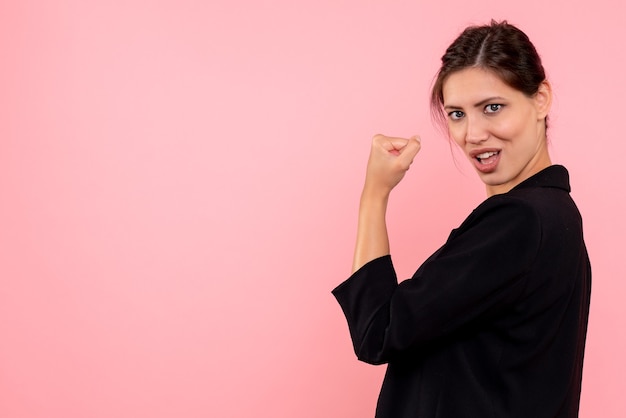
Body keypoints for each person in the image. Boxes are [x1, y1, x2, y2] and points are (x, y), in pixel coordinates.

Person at [332, 20, 591, 418]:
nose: (472, 134)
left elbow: (378, 332)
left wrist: (374, 195)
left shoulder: (519, 222)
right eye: (456, 114)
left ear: (541, 99)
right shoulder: (557, 215)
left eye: (492, 108)